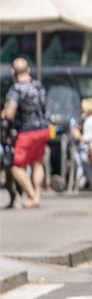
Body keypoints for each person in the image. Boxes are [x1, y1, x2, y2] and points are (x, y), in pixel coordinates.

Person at [1, 58, 49, 208]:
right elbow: (44, 105)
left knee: (16, 166)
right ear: (28, 70)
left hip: (26, 131)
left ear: (13, 72)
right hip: (43, 128)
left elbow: (10, 113)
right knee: (37, 163)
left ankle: (32, 196)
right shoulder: (38, 85)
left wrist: (4, 114)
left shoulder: (16, 89)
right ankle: (38, 195)